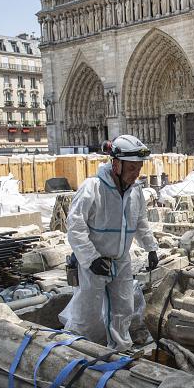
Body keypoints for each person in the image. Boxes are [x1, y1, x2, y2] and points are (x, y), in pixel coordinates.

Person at [59, 135, 159, 349]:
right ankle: (78, 349)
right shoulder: (92, 188)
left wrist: (150, 248)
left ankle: (120, 350)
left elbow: (140, 221)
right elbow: (75, 226)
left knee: (123, 307)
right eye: (132, 168)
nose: (136, 173)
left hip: (121, 260)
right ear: (116, 164)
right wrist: (90, 258)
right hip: (95, 262)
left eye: (138, 168)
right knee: (88, 312)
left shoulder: (135, 191)